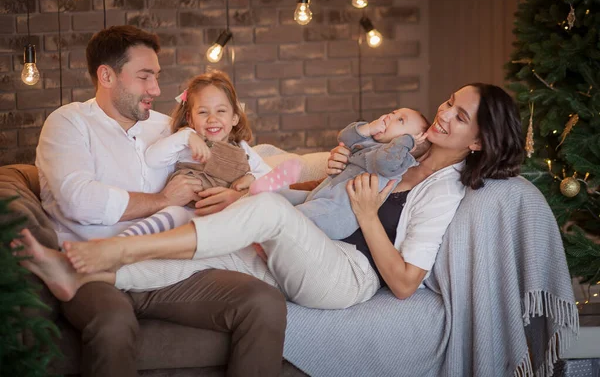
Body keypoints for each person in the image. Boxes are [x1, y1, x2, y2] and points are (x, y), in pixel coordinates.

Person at [19, 83, 523, 311]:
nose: (445, 115)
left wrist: (370, 216)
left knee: (265, 211)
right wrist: (320, 171)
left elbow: (407, 284)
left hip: (351, 274)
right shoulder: (404, 153)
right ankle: (82, 274)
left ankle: (117, 248)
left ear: (477, 141)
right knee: (222, 252)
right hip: (318, 250)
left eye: (460, 118)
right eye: (450, 102)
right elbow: (327, 178)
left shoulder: (444, 191)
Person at [31, 25, 286, 377]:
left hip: (168, 265)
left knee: (264, 301)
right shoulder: (69, 123)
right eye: (145, 77)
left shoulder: (168, 127)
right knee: (112, 325)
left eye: (157, 77)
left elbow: (238, 164)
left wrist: (239, 190)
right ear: (107, 75)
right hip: (92, 268)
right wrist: (162, 199)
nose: (156, 89)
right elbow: (80, 202)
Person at [114, 70, 274, 238]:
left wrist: (251, 177)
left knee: (258, 209)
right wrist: (186, 136)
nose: (212, 119)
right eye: (203, 112)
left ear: (234, 118)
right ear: (190, 119)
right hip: (190, 212)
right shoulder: (185, 143)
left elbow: (268, 173)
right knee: (171, 215)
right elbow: (152, 159)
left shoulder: (242, 149)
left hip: (226, 211)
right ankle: (127, 241)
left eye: (221, 111)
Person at [266, 107, 431, 240]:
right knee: (276, 197)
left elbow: (383, 161)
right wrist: (368, 128)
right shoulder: (371, 143)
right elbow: (345, 137)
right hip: (322, 196)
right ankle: (260, 209)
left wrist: (407, 141)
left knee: (291, 219)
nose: (389, 116)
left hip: (336, 213)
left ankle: (265, 237)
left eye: (400, 120)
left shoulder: (397, 162)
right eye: (394, 113)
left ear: (409, 147)